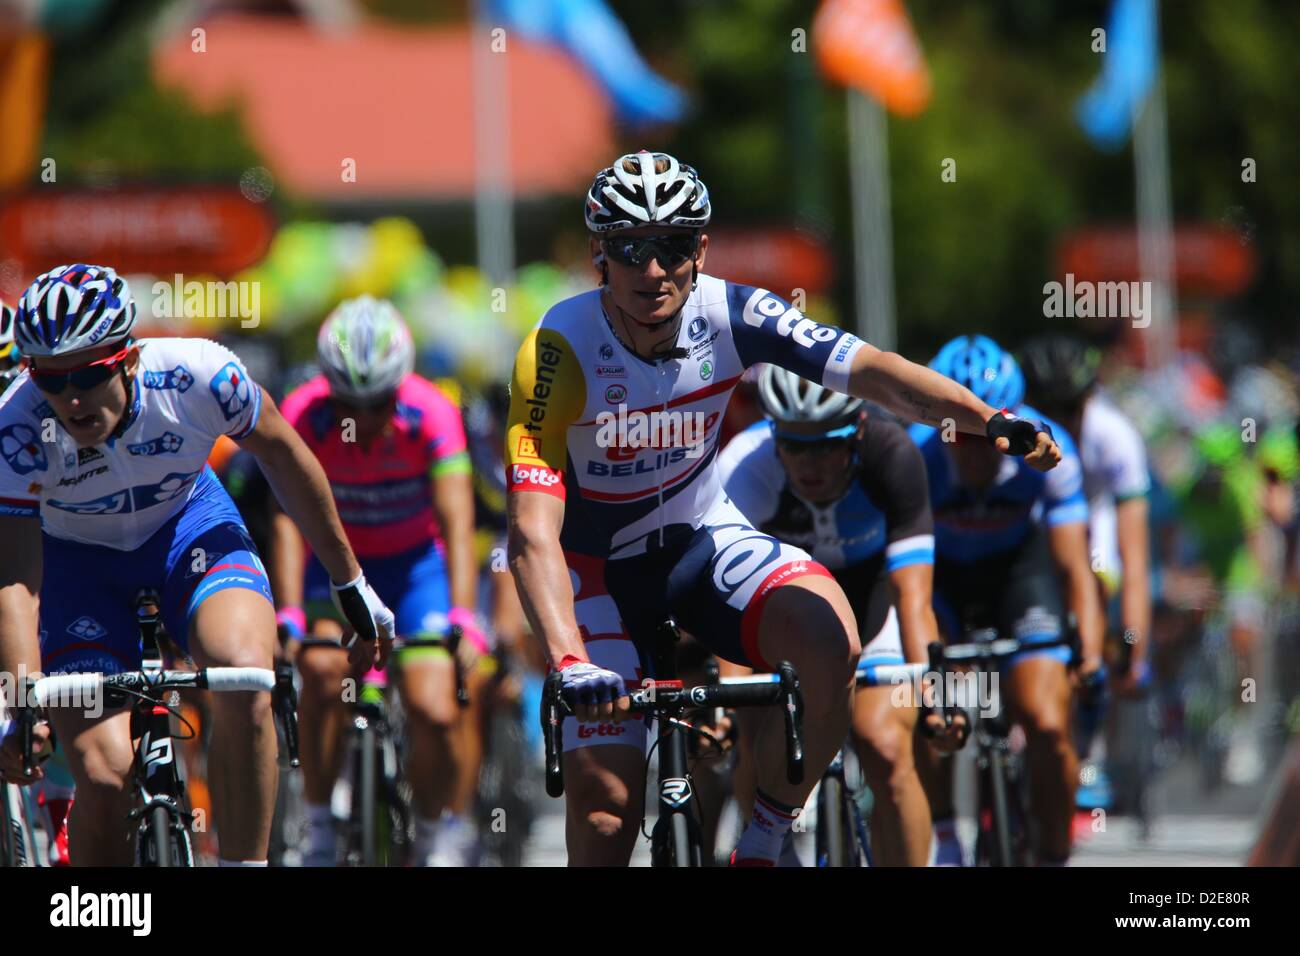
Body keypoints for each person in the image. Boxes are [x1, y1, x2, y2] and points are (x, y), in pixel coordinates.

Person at [504, 151, 1060, 866]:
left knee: (831, 640)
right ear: (598, 256)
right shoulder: (557, 351)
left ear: (699, 249)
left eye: (672, 245)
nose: (652, 270)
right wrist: (567, 660)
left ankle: (763, 842)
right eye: (629, 247)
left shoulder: (732, 312)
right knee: (609, 815)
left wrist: (990, 419)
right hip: (596, 579)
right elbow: (530, 532)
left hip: (702, 541)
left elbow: (876, 373)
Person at [0, 263, 394, 865]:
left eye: (88, 373)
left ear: (128, 357)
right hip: (77, 567)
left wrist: (351, 582)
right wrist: (19, 697)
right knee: (105, 777)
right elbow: (18, 579)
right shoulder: (15, 426)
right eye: (51, 380)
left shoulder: (198, 375)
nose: (71, 397)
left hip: (188, 529)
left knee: (243, 675)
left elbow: (286, 459)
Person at [716, 366, 962, 866]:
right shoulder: (744, 464)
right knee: (753, 730)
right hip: (781, 605)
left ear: (858, 434)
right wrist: (727, 700)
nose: (810, 463)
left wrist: (936, 693)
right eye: (794, 445)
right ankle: (773, 853)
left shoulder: (894, 455)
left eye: (826, 445)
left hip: (870, 600)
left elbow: (912, 595)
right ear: (773, 435)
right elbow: (728, 602)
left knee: (887, 744)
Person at [273, 295, 486, 866]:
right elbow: (287, 520)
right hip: (336, 568)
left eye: (379, 403)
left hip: (415, 569)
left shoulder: (433, 412)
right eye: (350, 405)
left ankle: (437, 830)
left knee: (435, 706)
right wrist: (290, 612)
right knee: (320, 674)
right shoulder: (302, 413)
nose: (364, 420)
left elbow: (456, 523)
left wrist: (464, 616)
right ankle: (318, 827)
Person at [911, 334, 1104, 866]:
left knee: (1045, 720)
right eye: (962, 436)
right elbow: (904, 579)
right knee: (931, 711)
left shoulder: (1050, 449)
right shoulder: (914, 458)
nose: (976, 449)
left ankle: (1052, 852)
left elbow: (1074, 568)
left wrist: (1088, 651)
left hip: (1021, 575)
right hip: (941, 581)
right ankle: (947, 840)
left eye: (988, 435)